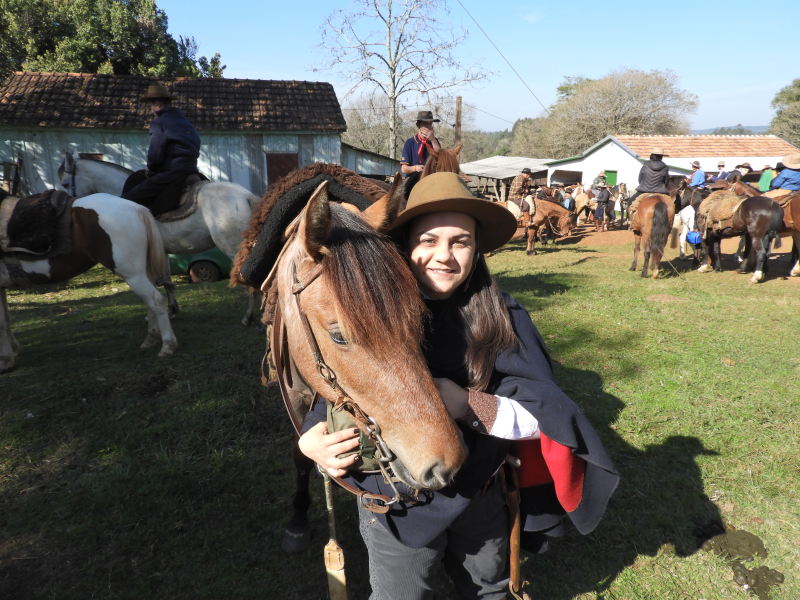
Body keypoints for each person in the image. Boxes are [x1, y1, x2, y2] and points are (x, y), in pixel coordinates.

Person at [298, 172, 618, 600]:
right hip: (395, 504)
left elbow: (543, 419)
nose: (443, 256)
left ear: (477, 249)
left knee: (488, 590)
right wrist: (310, 441)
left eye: (460, 242)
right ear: (406, 245)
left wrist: (466, 404)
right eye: (428, 240)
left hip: (478, 493)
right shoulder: (369, 306)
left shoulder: (503, 317)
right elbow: (341, 376)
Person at [121, 85, 201, 207]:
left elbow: (155, 154)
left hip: (172, 174)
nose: (151, 111)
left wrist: (152, 169)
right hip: (192, 170)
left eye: (151, 106)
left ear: (158, 104)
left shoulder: (159, 123)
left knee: (127, 201)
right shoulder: (186, 122)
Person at [626, 148, 671, 216]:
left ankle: (632, 222)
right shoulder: (665, 167)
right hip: (661, 191)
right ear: (661, 157)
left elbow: (640, 179)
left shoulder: (645, 165)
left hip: (644, 190)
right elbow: (666, 182)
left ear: (652, 155)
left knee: (630, 202)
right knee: (672, 204)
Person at [400, 111, 442, 177]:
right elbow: (404, 169)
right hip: (413, 178)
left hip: (431, 178)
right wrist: (415, 168)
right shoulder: (410, 143)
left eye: (430, 124)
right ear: (418, 125)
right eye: (425, 124)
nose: (428, 127)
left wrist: (433, 141)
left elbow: (441, 158)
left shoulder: (435, 141)